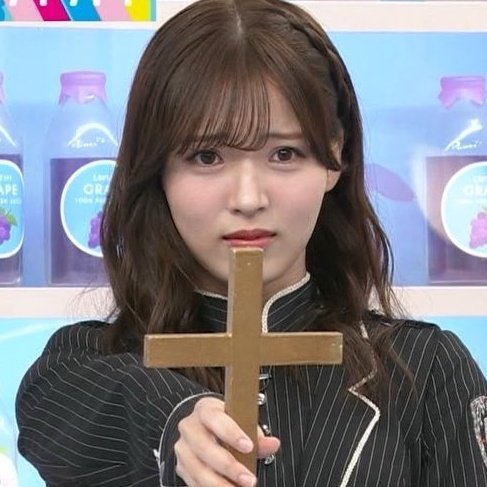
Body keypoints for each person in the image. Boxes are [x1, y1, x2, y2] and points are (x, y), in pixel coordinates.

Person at [16, 0, 487, 486]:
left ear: (335, 159)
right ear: (157, 170)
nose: (247, 199)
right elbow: (56, 410)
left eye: (284, 153)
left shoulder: (428, 371)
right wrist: (175, 425)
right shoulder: (83, 364)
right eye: (206, 156)